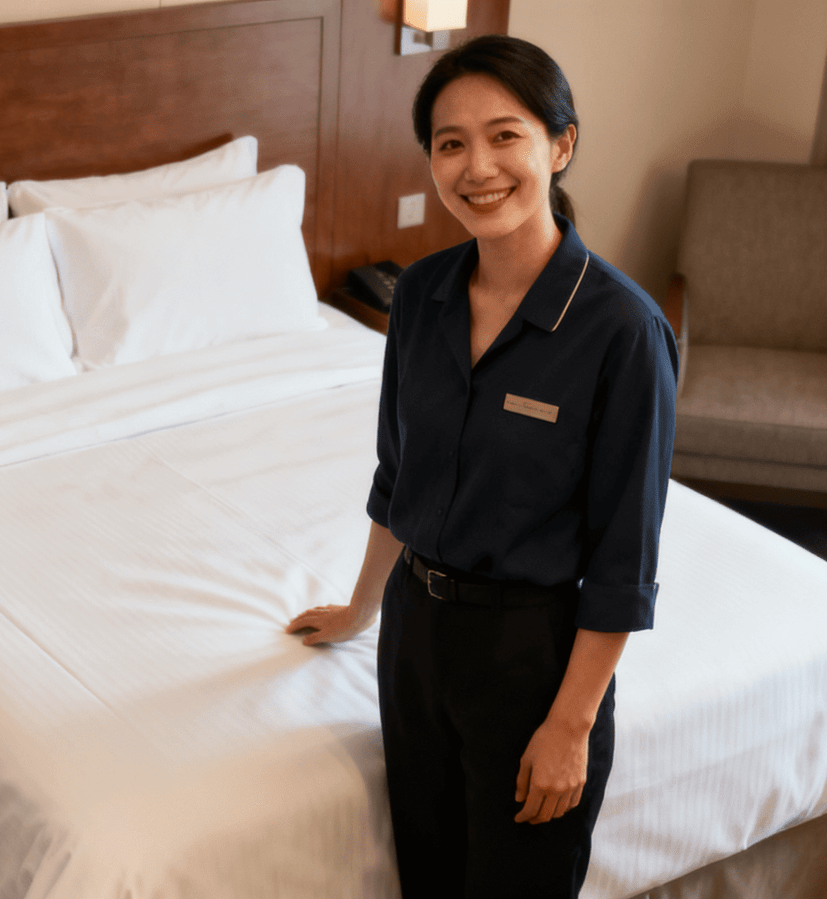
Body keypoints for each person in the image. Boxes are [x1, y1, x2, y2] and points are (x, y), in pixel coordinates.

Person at [286, 34, 677, 899]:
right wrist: (361, 608)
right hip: (414, 640)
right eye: (451, 143)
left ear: (561, 145)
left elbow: (624, 560)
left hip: (530, 657)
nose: (478, 167)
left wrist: (570, 724)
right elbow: (400, 473)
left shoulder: (622, 331)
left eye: (506, 136)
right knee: (427, 879)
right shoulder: (420, 295)